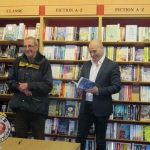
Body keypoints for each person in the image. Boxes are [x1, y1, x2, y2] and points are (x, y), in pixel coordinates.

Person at [76, 39, 121, 150]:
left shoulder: (112, 65)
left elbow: (116, 87)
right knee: (80, 138)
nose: (92, 54)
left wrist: (98, 91)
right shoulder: (86, 65)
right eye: (90, 51)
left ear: (102, 48)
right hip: (85, 106)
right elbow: (81, 81)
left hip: (101, 107)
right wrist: (79, 89)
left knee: (100, 139)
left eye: (94, 51)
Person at [7, 36, 53, 140]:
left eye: (30, 46)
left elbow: (48, 85)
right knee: (20, 141)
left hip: (37, 109)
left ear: (36, 47)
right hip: (20, 108)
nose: (27, 49)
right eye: (25, 46)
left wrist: (29, 85)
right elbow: (10, 80)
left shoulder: (44, 63)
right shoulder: (18, 61)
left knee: (38, 143)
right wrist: (19, 86)